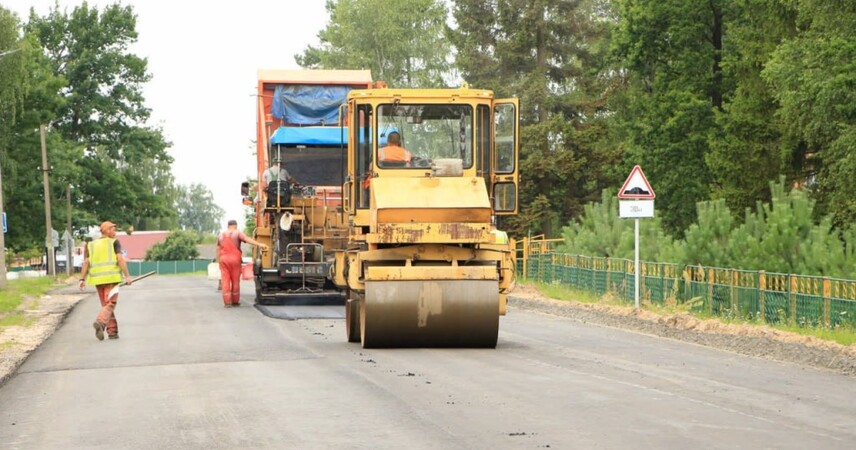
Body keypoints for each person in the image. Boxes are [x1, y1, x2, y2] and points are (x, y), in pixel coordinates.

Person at [78, 221, 133, 341]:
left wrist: (82, 279)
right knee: (111, 304)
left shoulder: (91, 245)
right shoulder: (114, 242)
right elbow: (120, 259)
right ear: (107, 230)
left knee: (106, 306)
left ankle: (112, 332)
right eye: (113, 229)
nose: (115, 232)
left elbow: (86, 262)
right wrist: (127, 276)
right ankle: (100, 322)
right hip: (111, 279)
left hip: (98, 280)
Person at [217, 219, 267, 307]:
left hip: (223, 259)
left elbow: (218, 248)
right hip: (234, 259)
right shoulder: (237, 233)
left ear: (228, 226)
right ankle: (235, 301)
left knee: (225, 280)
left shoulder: (221, 235)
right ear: (235, 225)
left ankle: (227, 303)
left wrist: (218, 261)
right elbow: (247, 239)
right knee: (235, 281)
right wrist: (259, 244)